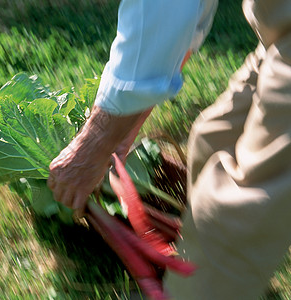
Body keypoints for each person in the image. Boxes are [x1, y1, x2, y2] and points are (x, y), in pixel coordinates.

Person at [47, 0, 291, 298]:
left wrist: (97, 139)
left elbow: (166, 7)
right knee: (212, 139)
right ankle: (224, 279)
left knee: (237, 201)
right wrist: (132, 108)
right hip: (278, 34)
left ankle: (206, 284)